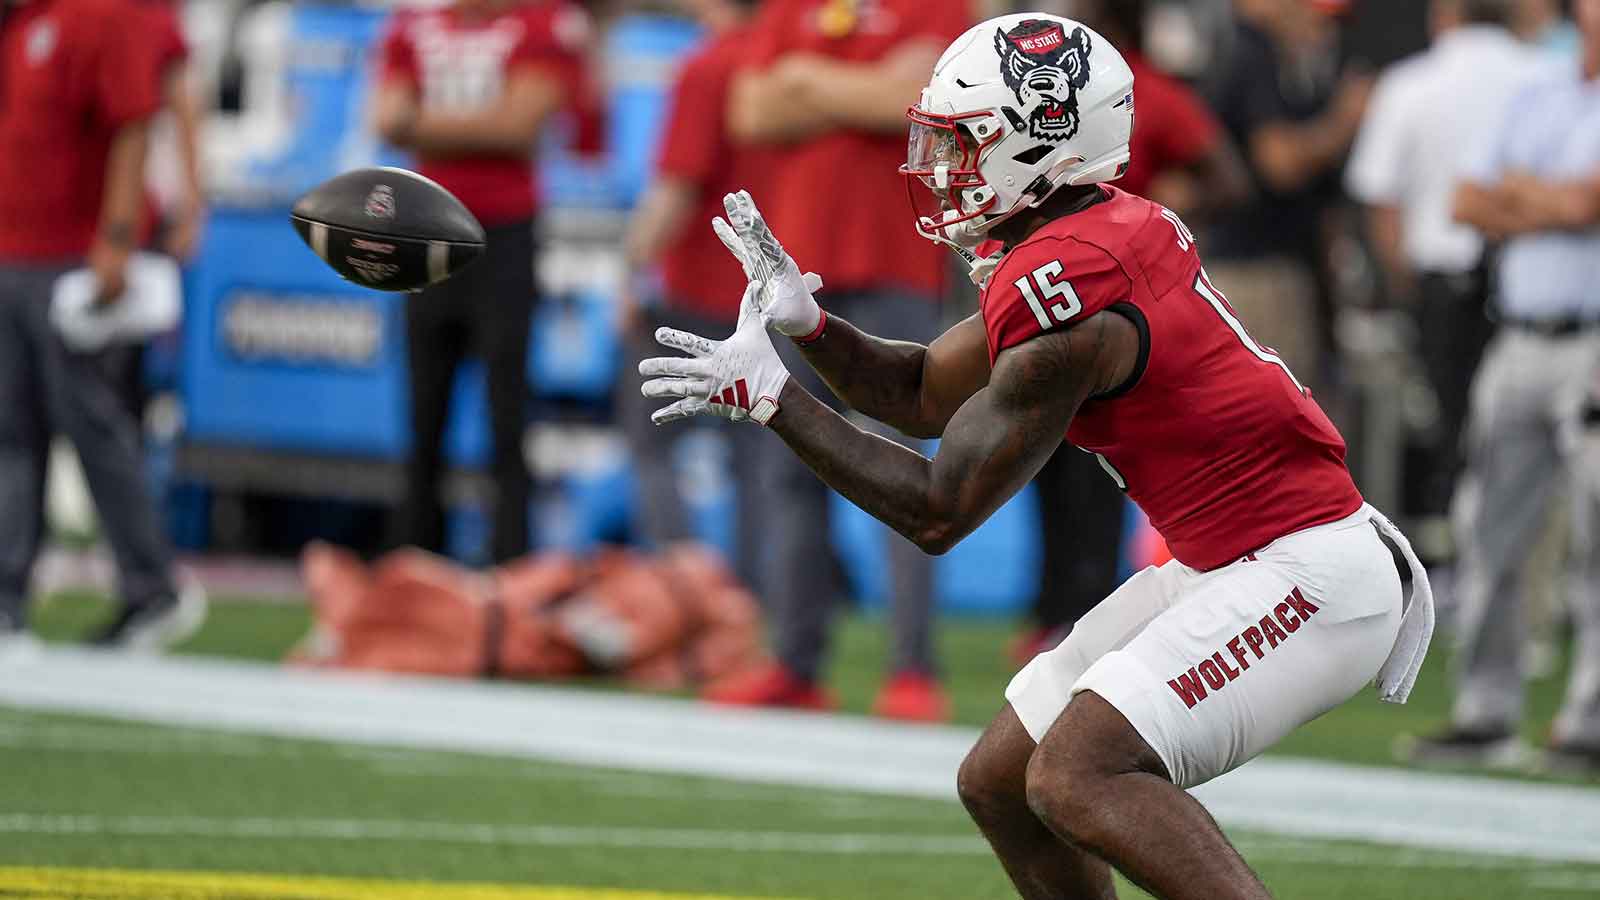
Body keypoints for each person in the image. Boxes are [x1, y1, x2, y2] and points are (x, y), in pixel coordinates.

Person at [638, 13, 1431, 898]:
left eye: (966, 141)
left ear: (1044, 140)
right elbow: (923, 394)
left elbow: (938, 510)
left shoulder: (1074, 291)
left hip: (1306, 576)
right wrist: (811, 327)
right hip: (1232, 561)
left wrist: (774, 402)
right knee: (1002, 783)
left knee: (1076, 776)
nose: (943, 168)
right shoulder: (1090, 234)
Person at [705, 0, 973, 721]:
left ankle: (912, 668)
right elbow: (751, 114)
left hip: (894, 267)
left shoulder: (936, 5)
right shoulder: (792, 6)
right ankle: (795, 662)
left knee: (902, 467)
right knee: (789, 463)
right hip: (792, 271)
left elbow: (916, 108)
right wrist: (861, 89)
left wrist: (805, 80)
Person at [1012, 0, 1250, 664]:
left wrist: (1146, 219)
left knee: (1095, 467)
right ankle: (1052, 608)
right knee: (1044, 458)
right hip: (1047, 293)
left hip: (1111, 306)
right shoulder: (1063, 99)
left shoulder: (1146, 93)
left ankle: (1085, 609)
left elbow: (1227, 177)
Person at [1404, 0, 1600, 773]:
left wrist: (1533, 195)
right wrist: (1562, 204)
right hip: (1517, 333)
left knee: (1595, 533)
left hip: (1592, 339)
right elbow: (1467, 202)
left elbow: (1590, 202)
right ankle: (1486, 711)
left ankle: (1590, 722)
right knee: (1488, 525)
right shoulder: (1536, 88)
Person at [0, 0, 206, 655]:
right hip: (16, 247)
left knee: (91, 424)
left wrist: (118, 237)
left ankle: (151, 586)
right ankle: (7, 597)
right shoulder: (21, 24)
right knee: (12, 430)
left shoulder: (100, 14)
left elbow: (138, 120)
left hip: (72, 255)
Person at [374, 0, 590, 564]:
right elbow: (384, 118)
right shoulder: (413, 25)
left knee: (506, 412)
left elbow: (519, 126)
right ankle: (415, 564)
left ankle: (511, 564)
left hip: (504, 235)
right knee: (423, 412)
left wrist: (423, 123)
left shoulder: (543, 23)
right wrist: (481, 123)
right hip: (428, 229)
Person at [1344, 0, 1540, 564]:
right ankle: (1512, 567)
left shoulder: (1409, 85)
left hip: (1440, 285)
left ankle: (1458, 561)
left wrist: (1405, 287)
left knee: (1452, 430)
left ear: (1445, 16)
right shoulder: (1538, 77)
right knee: (1513, 437)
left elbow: (1381, 199)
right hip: (1520, 282)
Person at [618, 0, 765, 589]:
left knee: (649, 442)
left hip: (695, 291)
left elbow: (677, 186)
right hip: (767, 298)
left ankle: (683, 589)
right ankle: (753, 599)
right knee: (761, 465)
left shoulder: (709, 67)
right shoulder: (784, 64)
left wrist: (630, 273)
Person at [1206, 0, 1372, 388]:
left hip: (1269, 268)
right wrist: (1344, 120)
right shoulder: (1250, 53)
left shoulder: (1271, 56)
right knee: (1277, 420)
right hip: (1259, 274)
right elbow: (1278, 163)